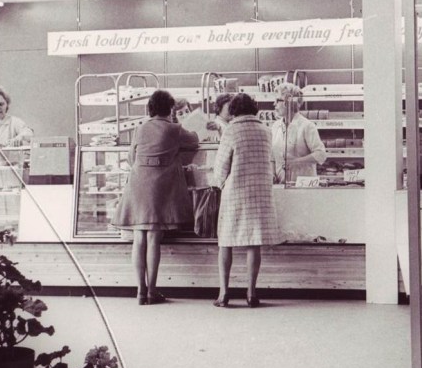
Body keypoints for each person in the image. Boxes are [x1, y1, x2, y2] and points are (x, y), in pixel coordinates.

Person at [112, 89, 199, 305]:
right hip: (159, 187)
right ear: (170, 109)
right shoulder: (174, 129)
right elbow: (195, 140)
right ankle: (152, 290)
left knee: (139, 238)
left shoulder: (140, 128)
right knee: (153, 238)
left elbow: (132, 157)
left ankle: (140, 291)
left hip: (137, 184)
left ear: (150, 108)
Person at [211, 92, 278, 307]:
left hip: (236, 192)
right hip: (260, 192)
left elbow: (221, 167)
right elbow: (270, 160)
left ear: (234, 111)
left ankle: (223, 294)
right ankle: (251, 294)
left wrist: (220, 184)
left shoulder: (231, 130)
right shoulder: (266, 130)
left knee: (226, 243)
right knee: (253, 244)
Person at [270, 82, 327, 184]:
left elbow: (321, 154)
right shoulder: (275, 126)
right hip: (281, 185)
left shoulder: (307, 126)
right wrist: (272, 174)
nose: (274, 104)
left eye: (277, 100)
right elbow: (272, 157)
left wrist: (296, 161)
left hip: (303, 185)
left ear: (289, 101)